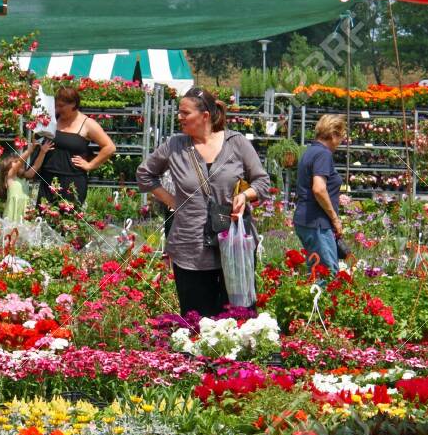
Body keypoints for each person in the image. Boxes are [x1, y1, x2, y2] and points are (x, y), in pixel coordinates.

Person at [138, 86, 271, 318]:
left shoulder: (236, 143)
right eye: (179, 112)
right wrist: (171, 200)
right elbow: (144, 174)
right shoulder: (175, 146)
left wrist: (245, 195)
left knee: (238, 318)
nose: (179, 117)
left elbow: (262, 181)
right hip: (190, 247)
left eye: (185, 113)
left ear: (205, 116)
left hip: (233, 245)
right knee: (196, 322)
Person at [35, 86, 116, 208]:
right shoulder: (53, 118)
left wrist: (90, 165)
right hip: (48, 178)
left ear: (73, 104)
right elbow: (36, 138)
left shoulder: (87, 124)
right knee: (42, 220)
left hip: (73, 182)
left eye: (61, 106)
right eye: (56, 105)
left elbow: (109, 147)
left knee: (68, 223)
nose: (58, 109)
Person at [293, 114, 347, 278]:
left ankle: (310, 302)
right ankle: (320, 303)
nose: (341, 142)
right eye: (341, 137)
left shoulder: (310, 151)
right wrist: (335, 218)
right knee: (328, 272)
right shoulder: (324, 154)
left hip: (306, 220)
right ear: (333, 134)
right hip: (318, 222)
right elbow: (319, 189)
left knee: (316, 271)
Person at [0, 142, 49, 223]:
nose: (20, 164)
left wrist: (42, 152)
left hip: (25, 210)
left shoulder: (24, 177)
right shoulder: (10, 177)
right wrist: (29, 151)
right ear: (7, 167)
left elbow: (36, 166)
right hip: (13, 211)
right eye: (15, 162)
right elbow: (20, 162)